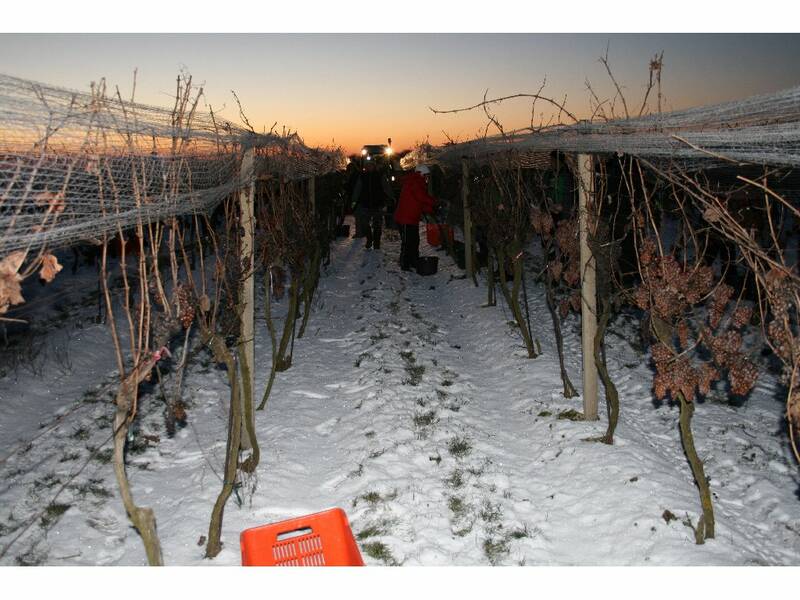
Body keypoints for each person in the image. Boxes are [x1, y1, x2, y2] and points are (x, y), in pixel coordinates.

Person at [394, 164, 437, 271]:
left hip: (412, 218)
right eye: (426, 175)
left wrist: (430, 209)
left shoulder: (418, 183)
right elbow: (421, 197)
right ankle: (405, 263)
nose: (427, 178)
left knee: (415, 241)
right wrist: (434, 202)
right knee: (407, 242)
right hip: (405, 218)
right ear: (421, 174)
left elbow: (420, 202)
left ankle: (413, 261)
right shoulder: (414, 182)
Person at [350, 161, 394, 249]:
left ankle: (377, 243)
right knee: (365, 223)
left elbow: (386, 187)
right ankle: (369, 239)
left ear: (374, 166)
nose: (369, 167)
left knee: (377, 224)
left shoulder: (380, 175)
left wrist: (392, 197)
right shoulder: (362, 176)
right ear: (365, 167)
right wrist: (353, 201)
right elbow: (357, 189)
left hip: (378, 204)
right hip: (365, 204)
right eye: (367, 165)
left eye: (371, 165)